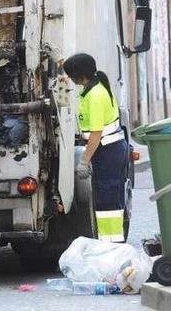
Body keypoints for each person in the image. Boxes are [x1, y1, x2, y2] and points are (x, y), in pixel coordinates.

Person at [63, 53, 128, 242]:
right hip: (111, 150)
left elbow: (96, 134)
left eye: (71, 74)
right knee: (109, 196)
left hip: (108, 151)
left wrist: (84, 161)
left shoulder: (95, 96)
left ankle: (112, 243)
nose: (70, 79)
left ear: (80, 75)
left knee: (108, 201)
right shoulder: (96, 87)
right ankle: (111, 241)